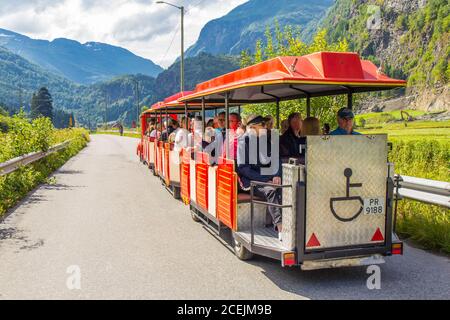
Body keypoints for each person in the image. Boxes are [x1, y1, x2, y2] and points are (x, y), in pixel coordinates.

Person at [237, 115, 283, 238]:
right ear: (252, 128)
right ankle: (280, 228)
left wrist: (276, 175)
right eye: (261, 126)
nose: (264, 128)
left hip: (268, 177)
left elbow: (276, 159)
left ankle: (292, 224)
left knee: (287, 189)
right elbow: (243, 169)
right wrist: (266, 180)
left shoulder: (268, 139)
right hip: (252, 180)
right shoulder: (243, 142)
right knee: (270, 191)